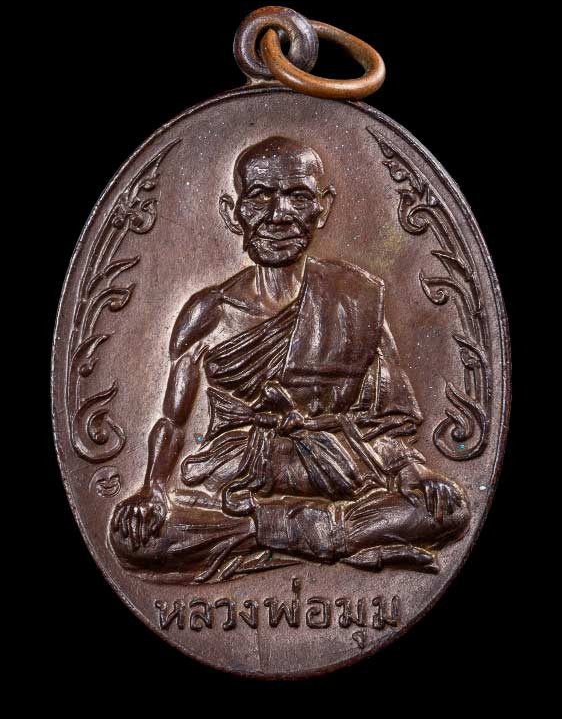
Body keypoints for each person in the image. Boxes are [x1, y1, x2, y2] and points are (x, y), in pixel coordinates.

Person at [110, 136, 470, 583]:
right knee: (133, 540)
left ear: (323, 208)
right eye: (260, 196)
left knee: (449, 510)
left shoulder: (356, 299)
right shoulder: (208, 312)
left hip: (340, 465)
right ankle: (334, 536)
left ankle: (269, 534)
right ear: (233, 211)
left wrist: (415, 472)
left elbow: (383, 423)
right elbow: (172, 420)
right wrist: (152, 489)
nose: (278, 214)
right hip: (238, 472)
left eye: (298, 196)